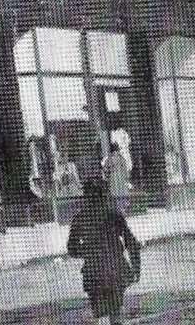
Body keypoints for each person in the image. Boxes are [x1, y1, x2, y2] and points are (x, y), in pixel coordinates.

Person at [66, 176, 141, 325]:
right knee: (115, 312)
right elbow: (131, 243)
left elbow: (72, 249)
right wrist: (136, 268)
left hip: (93, 273)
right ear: (104, 194)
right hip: (115, 270)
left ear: (86, 196)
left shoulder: (80, 218)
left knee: (101, 315)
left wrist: (88, 251)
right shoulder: (114, 215)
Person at [103, 138, 132, 215]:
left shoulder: (109, 159)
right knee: (123, 195)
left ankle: (119, 210)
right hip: (121, 178)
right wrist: (127, 178)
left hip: (113, 179)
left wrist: (107, 178)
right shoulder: (121, 158)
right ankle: (122, 209)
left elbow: (106, 170)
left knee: (116, 196)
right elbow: (125, 169)